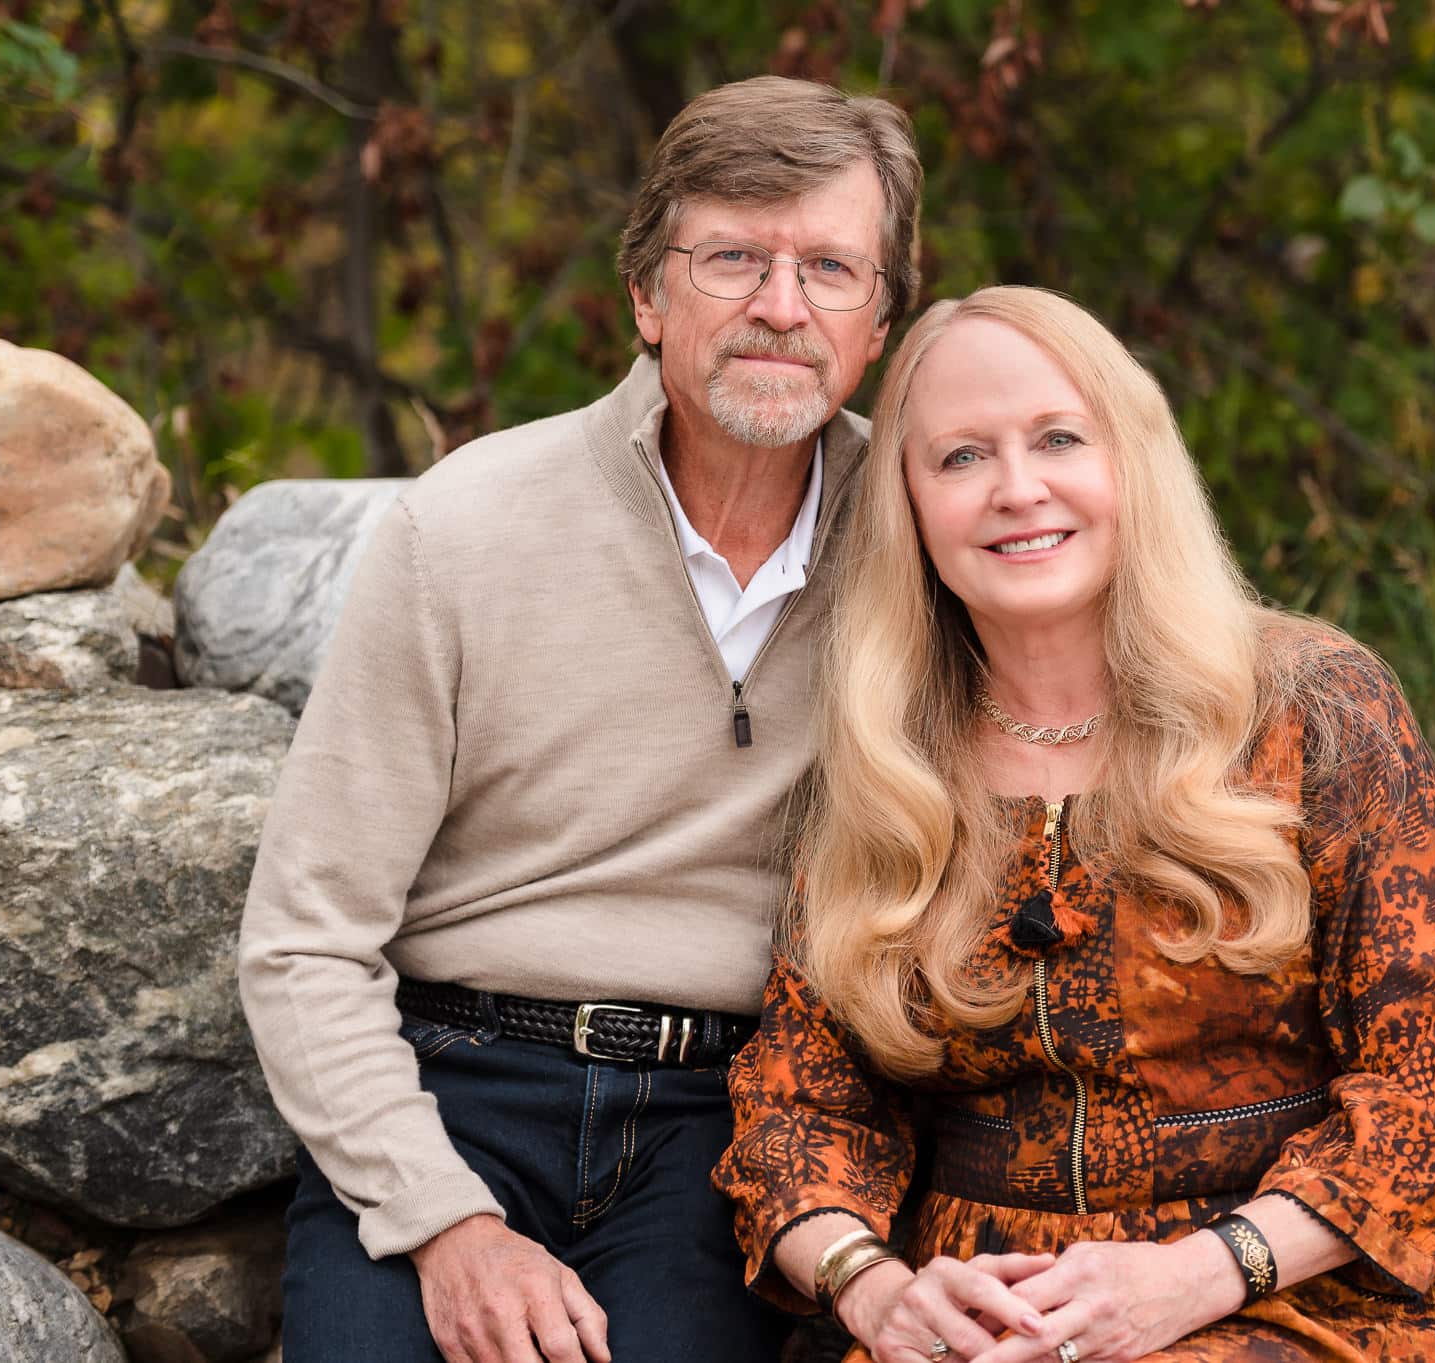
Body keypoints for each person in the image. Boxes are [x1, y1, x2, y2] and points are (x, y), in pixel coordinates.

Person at [237, 76, 922, 1363]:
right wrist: (446, 1224)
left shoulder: (916, 540)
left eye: (831, 267)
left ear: (878, 320)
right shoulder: (466, 526)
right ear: (646, 294)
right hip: (452, 1080)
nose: (782, 307)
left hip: (720, 1122)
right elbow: (304, 941)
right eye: (732, 258)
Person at [714, 286, 1435, 1363]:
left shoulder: (1312, 711)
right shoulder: (887, 763)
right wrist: (872, 1287)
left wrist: (1196, 1272)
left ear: (1130, 463)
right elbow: (797, 1108)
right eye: (959, 458)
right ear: (906, 509)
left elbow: (1429, 1107)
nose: (1016, 488)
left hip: (1302, 1290)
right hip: (986, 1318)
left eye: (1056, 438)